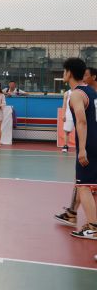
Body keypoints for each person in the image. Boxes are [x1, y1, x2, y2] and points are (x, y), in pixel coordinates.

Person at [60, 58, 97, 240]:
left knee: (83, 187)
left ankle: (93, 228)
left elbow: (81, 121)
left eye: (64, 71)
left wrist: (82, 149)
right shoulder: (92, 92)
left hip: (89, 144)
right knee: (92, 186)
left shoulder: (76, 94)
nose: (63, 74)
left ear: (69, 72)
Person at [62, 88, 74, 153]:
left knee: (81, 131)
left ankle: (82, 147)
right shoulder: (67, 93)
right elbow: (64, 105)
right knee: (67, 131)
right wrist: (63, 114)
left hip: (79, 114)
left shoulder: (81, 92)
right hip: (69, 114)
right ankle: (65, 146)